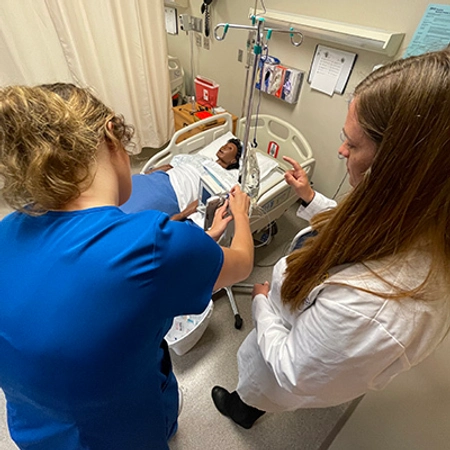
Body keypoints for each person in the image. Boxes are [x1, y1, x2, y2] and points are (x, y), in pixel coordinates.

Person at [0, 82, 253, 449]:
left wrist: (201, 243)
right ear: (110, 135)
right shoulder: (152, 242)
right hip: (120, 434)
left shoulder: (7, 231)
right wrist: (241, 215)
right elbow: (242, 264)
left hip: (35, 430)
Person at [211, 47, 450, 429]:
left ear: (400, 167)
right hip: (295, 319)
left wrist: (261, 304)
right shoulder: (410, 214)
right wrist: (309, 197)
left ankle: (243, 411)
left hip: (283, 356)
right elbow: (351, 224)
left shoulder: (373, 306)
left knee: (259, 386)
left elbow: (292, 368)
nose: (340, 150)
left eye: (353, 145)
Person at [120, 138, 243, 222]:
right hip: (158, 179)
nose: (224, 147)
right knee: (118, 194)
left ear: (233, 161)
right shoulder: (199, 158)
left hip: (174, 193)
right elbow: (170, 166)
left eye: (229, 148)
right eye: (225, 144)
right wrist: (146, 175)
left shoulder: (225, 178)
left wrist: (181, 215)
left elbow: (205, 199)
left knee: (130, 215)